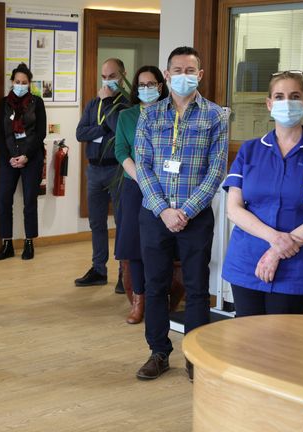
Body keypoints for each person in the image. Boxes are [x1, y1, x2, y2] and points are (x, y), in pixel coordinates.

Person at [134, 46, 228, 381]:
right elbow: (142, 167)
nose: (184, 76)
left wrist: (185, 211)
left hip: (195, 216)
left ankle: (195, 356)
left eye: (191, 70)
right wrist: (164, 210)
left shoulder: (217, 115)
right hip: (155, 215)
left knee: (197, 287)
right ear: (167, 74)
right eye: (178, 70)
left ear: (200, 75)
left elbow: (216, 171)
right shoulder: (150, 115)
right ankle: (158, 352)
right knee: (155, 285)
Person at [222, 71, 303, 317]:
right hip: (247, 261)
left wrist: (276, 251)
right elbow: (233, 209)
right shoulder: (250, 150)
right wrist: (274, 240)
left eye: (294, 96)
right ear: (269, 104)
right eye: (279, 96)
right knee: (245, 341)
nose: (287, 102)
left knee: (281, 343)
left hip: (296, 266)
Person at [114, 65, 169, 324]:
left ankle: (161, 297)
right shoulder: (127, 116)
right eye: (142, 85)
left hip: (165, 186)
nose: (147, 89)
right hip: (134, 185)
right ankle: (139, 300)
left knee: (159, 244)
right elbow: (121, 151)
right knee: (135, 247)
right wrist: (142, 178)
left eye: (152, 84)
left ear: (161, 85)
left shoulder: (171, 113)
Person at [74, 58, 128, 286]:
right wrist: (101, 129)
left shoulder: (127, 104)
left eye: (112, 77)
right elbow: (80, 133)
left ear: (123, 76)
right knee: (96, 223)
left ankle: (123, 273)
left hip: (117, 170)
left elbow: (119, 129)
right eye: (104, 77)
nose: (107, 82)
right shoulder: (92, 104)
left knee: (122, 222)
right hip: (94, 169)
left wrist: (108, 105)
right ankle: (99, 269)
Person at [0, 63, 47, 261]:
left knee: (29, 200)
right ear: (12, 82)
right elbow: (0, 133)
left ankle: (29, 242)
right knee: (3, 199)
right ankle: (6, 243)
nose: (21, 85)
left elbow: (40, 132)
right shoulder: (3, 103)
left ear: (29, 84)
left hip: (31, 158)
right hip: (8, 158)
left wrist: (26, 156)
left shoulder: (37, 102)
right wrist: (9, 157)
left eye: (24, 82)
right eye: (17, 82)